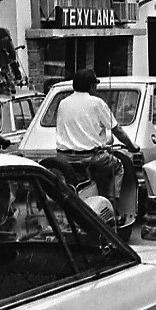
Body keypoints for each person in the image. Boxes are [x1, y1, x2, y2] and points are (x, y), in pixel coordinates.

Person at [55, 68, 140, 209]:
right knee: (118, 167)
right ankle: (110, 206)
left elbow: (73, 131)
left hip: (64, 159)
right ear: (91, 86)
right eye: (95, 85)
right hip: (91, 158)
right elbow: (117, 130)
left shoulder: (63, 103)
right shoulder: (97, 103)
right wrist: (132, 146)